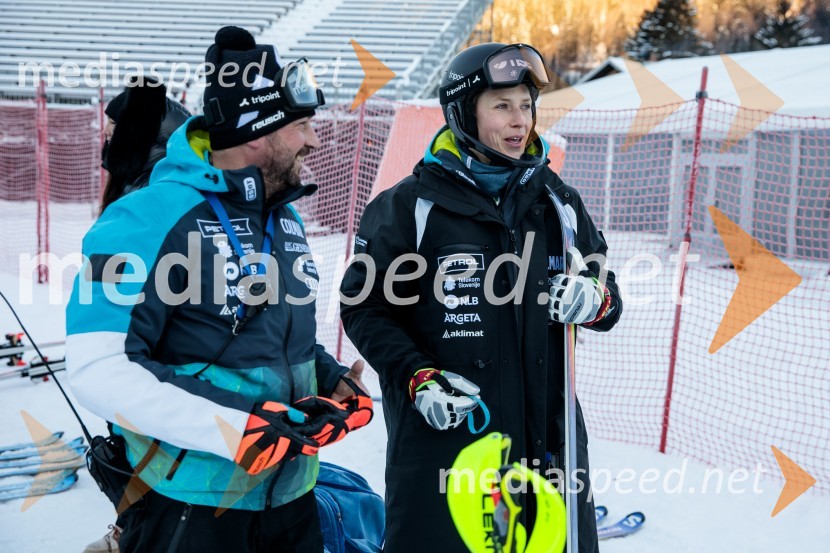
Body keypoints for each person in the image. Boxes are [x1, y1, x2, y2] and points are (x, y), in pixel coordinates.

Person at [67, 26, 371, 553]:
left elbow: (275, 341)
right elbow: (99, 368)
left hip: (292, 498)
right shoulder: (145, 216)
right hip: (193, 509)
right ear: (256, 131)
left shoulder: (286, 219)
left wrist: (330, 378)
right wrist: (236, 428)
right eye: (301, 125)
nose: (314, 140)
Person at [340, 42, 622, 553]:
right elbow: (364, 308)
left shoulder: (558, 203)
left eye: (526, 105)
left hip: (549, 450)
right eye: (502, 106)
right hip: (449, 447)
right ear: (464, 113)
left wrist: (595, 299)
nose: (520, 121)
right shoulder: (407, 208)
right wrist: (415, 375)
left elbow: (608, 294)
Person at [99, 76, 191, 214]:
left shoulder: (150, 187)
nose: (104, 131)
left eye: (112, 123)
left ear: (132, 130)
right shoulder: (135, 177)